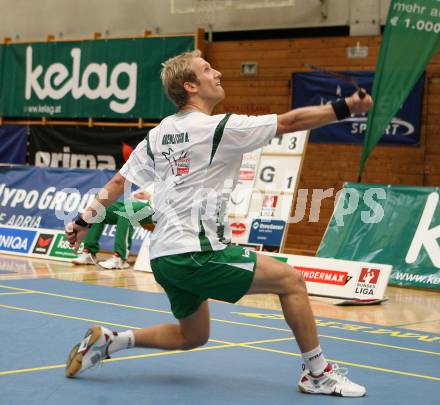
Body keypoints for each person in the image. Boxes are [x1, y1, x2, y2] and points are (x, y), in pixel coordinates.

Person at [64, 49, 373, 397]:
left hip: (164, 257)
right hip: (196, 252)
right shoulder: (218, 128)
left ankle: (111, 341)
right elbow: (289, 123)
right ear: (190, 85)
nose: (218, 73)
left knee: (193, 336)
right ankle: (317, 373)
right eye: (208, 69)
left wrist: (82, 221)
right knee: (292, 282)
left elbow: (119, 183)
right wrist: (348, 106)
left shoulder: (159, 134)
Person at [71, 188, 154, 269]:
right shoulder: (151, 180)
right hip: (133, 203)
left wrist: (142, 195)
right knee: (100, 208)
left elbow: (146, 195)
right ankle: (89, 253)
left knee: (126, 211)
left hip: (154, 208)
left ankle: (120, 258)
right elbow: (138, 194)